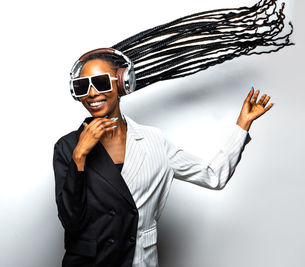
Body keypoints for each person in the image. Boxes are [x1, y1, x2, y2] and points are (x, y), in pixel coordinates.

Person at [53, 54, 272, 266]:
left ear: (122, 83)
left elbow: (213, 175)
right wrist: (80, 155)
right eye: (82, 86)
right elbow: (71, 221)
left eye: (100, 82)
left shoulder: (154, 140)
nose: (91, 93)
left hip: (139, 260)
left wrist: (242, 126)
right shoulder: (68, 147)